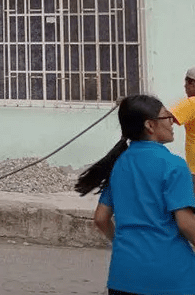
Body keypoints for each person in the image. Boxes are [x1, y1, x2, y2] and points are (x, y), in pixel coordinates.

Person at [75, 94, 195, 295]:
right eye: (166, 117)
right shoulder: (174, 165)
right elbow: (185, 223)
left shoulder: (120, 164)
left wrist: (123, 243)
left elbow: (101, 218)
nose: (173, 122)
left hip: (123, 275)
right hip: (172, 277)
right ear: (150, 125)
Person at [169, 67, 195, 175]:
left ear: (193, 83)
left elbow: (164, 118)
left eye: (186, 83)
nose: (185, 87)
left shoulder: (192, 103)